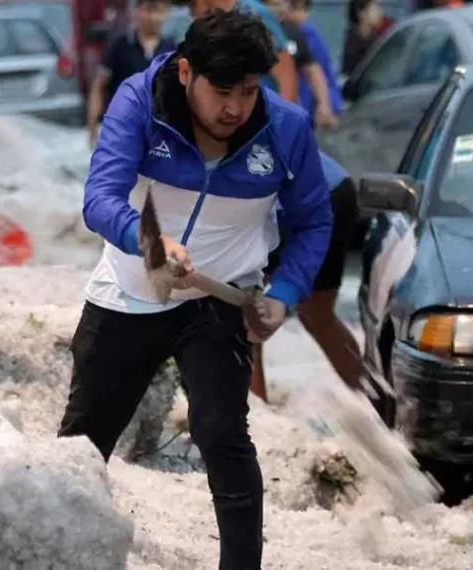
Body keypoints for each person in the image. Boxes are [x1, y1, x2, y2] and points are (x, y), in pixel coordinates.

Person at [57, 9, 332, 569]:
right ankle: (59, 554)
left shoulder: (286, 128)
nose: (234, 108)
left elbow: (313, 221)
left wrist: (284, 291)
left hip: (219, 297)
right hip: (131, 288)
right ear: (185, 72)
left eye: (249, 91)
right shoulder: (139, 102)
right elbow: (99, 197)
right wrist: (147, 240)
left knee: (221, 433)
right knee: (81, 443)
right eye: (222, 90)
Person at [251, 151, 361, 402]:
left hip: (294, 199)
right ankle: (379, 409)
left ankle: (252, 429)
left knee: (241, 320)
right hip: (333, 186)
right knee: (317, 314)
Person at [88, 0, 174, 147]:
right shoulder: (120, 45)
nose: (152, 17)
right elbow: (99, 86)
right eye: (148, 10)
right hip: (121, 130)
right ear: (137, 11)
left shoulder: (171, 50)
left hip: (158, 135)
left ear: (166, 13)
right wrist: (93, 125)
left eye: (158, 11)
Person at [188, 0, 300, 103]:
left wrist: (282, 120)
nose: (192, 11)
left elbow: (286, 74)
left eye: (193, 4)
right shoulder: (210, 21)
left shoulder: (251, 13)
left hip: (266, 110)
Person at [263, 0, 338, 130]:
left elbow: (314, 70)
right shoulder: (249, 26)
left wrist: (324, 105)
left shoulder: (292, 32)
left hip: (288, 113)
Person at [343, 0, 393, 75]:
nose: (380, 12)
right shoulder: (355, 44)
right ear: (361, 13)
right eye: (375, 8)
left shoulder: (379, 34)